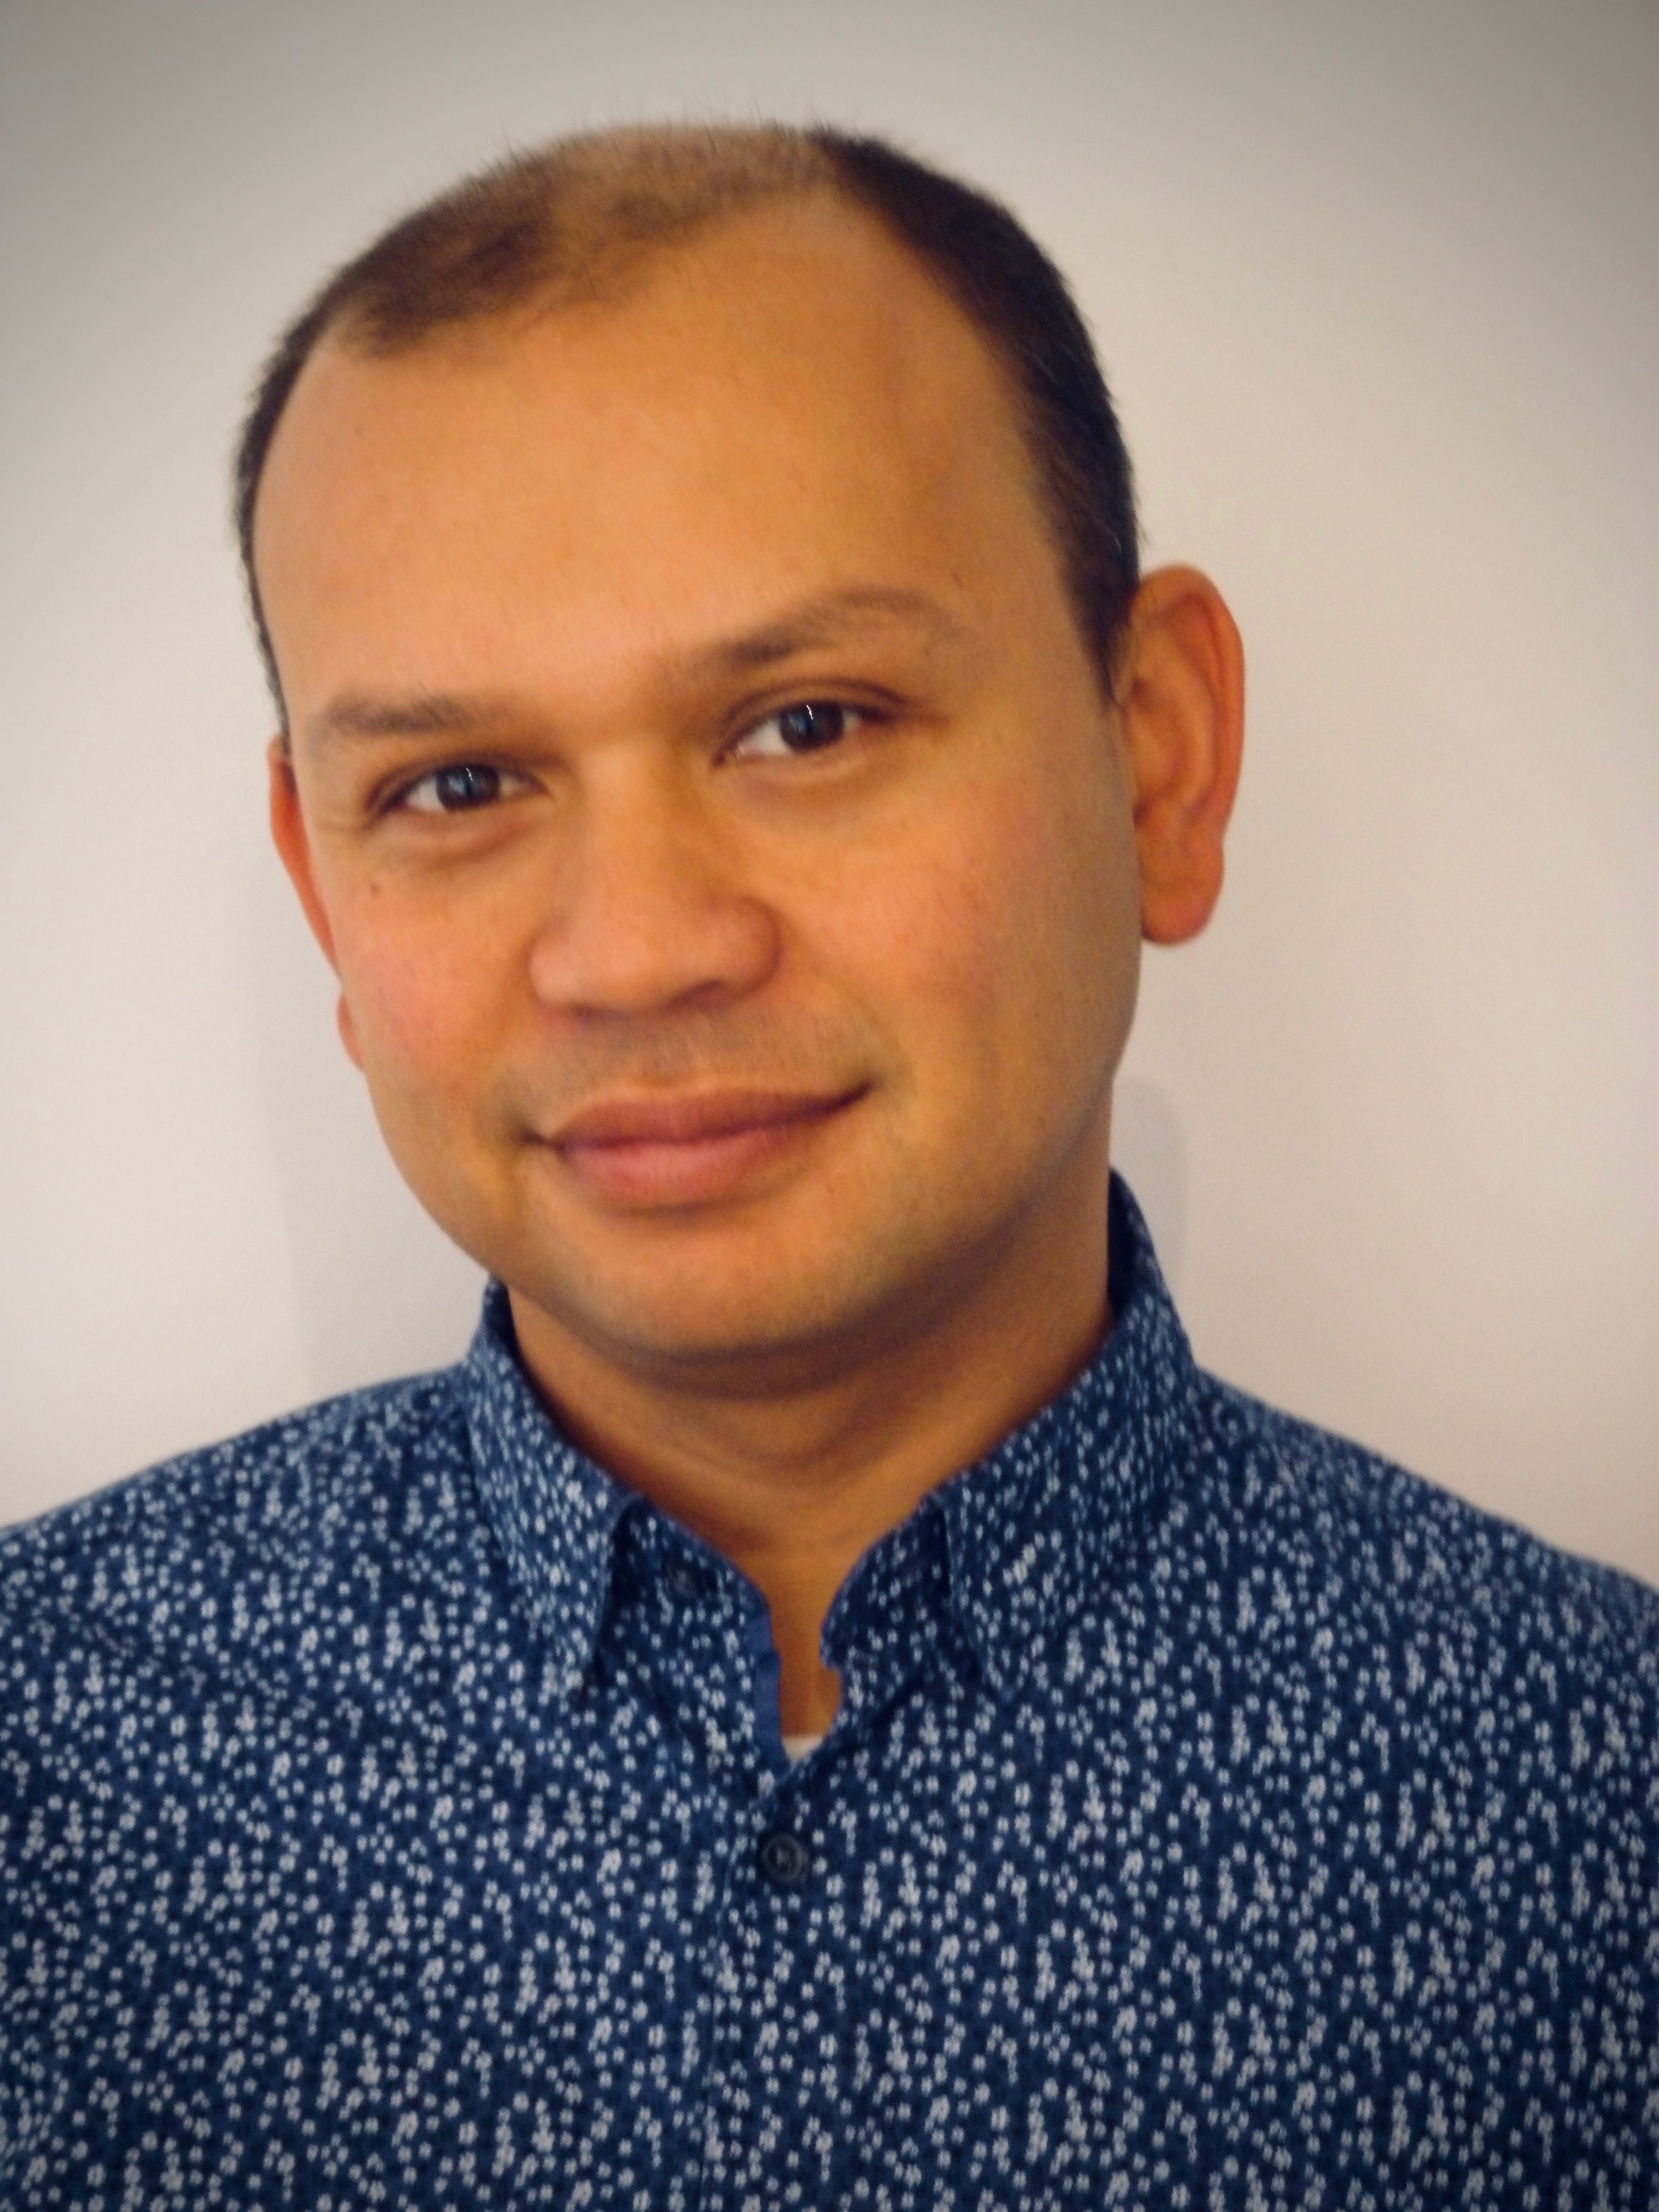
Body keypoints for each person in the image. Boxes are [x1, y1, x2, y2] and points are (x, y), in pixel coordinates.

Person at [1, 123, 1652, 2211]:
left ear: (1159, 756)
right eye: (460, 781)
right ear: (325, 894)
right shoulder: (43, 1774)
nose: (635, 951)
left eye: (809, 725)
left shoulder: (1598, 1804)